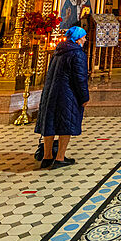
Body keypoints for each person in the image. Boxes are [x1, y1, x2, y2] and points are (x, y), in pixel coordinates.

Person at [35, 27, 90, 169]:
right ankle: (59, 157)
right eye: (83, 37)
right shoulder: (77, 53)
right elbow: (80, 78)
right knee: (66, 125)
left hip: (51, 93)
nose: (85, 39)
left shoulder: (58, 51)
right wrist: (84, 97)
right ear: (78, 39)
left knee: (50, 123)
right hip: (67, 95)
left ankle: (47, 157)